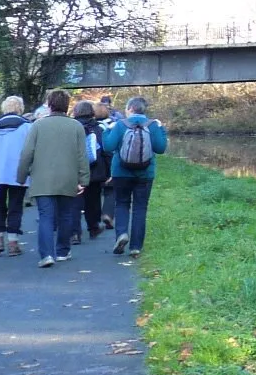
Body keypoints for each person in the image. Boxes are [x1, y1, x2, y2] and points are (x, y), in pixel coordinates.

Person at [17, 89, 92, 267]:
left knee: (45, 216)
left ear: (49, 105)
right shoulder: (76, 127)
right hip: (68, 178)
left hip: (42, 178)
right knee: (65, 215)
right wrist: (84, 179)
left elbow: (27, 153)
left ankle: (46, 255)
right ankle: (63, 251)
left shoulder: (38, 125)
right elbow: (82, 155)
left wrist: (21, 176)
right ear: (67, 106)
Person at [101, 96, 167, 257]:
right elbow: (160, 148)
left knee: (122, 204)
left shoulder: (120, 125)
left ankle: (122, 234)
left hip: (121, 172)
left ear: (130, 109)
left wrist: (107, 131)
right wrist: (163, 130)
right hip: (145, 174)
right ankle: (136, 247)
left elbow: (108, 146)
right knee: (140, 208)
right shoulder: (153, 125)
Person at [0, 97, 33, 258]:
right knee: (15, 206)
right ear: (20, 108)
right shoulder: (27, 127)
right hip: (18, 173)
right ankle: (13, 242)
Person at [74, 100, 112, 240]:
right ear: (92, 112)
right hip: (95, 170)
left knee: (75, 200)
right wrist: (109, 172)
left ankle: (75, 232)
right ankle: (93, 227)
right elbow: (106, 150)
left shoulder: (71, 127)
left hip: (75, 170)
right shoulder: (98, 128)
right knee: (93, 200)